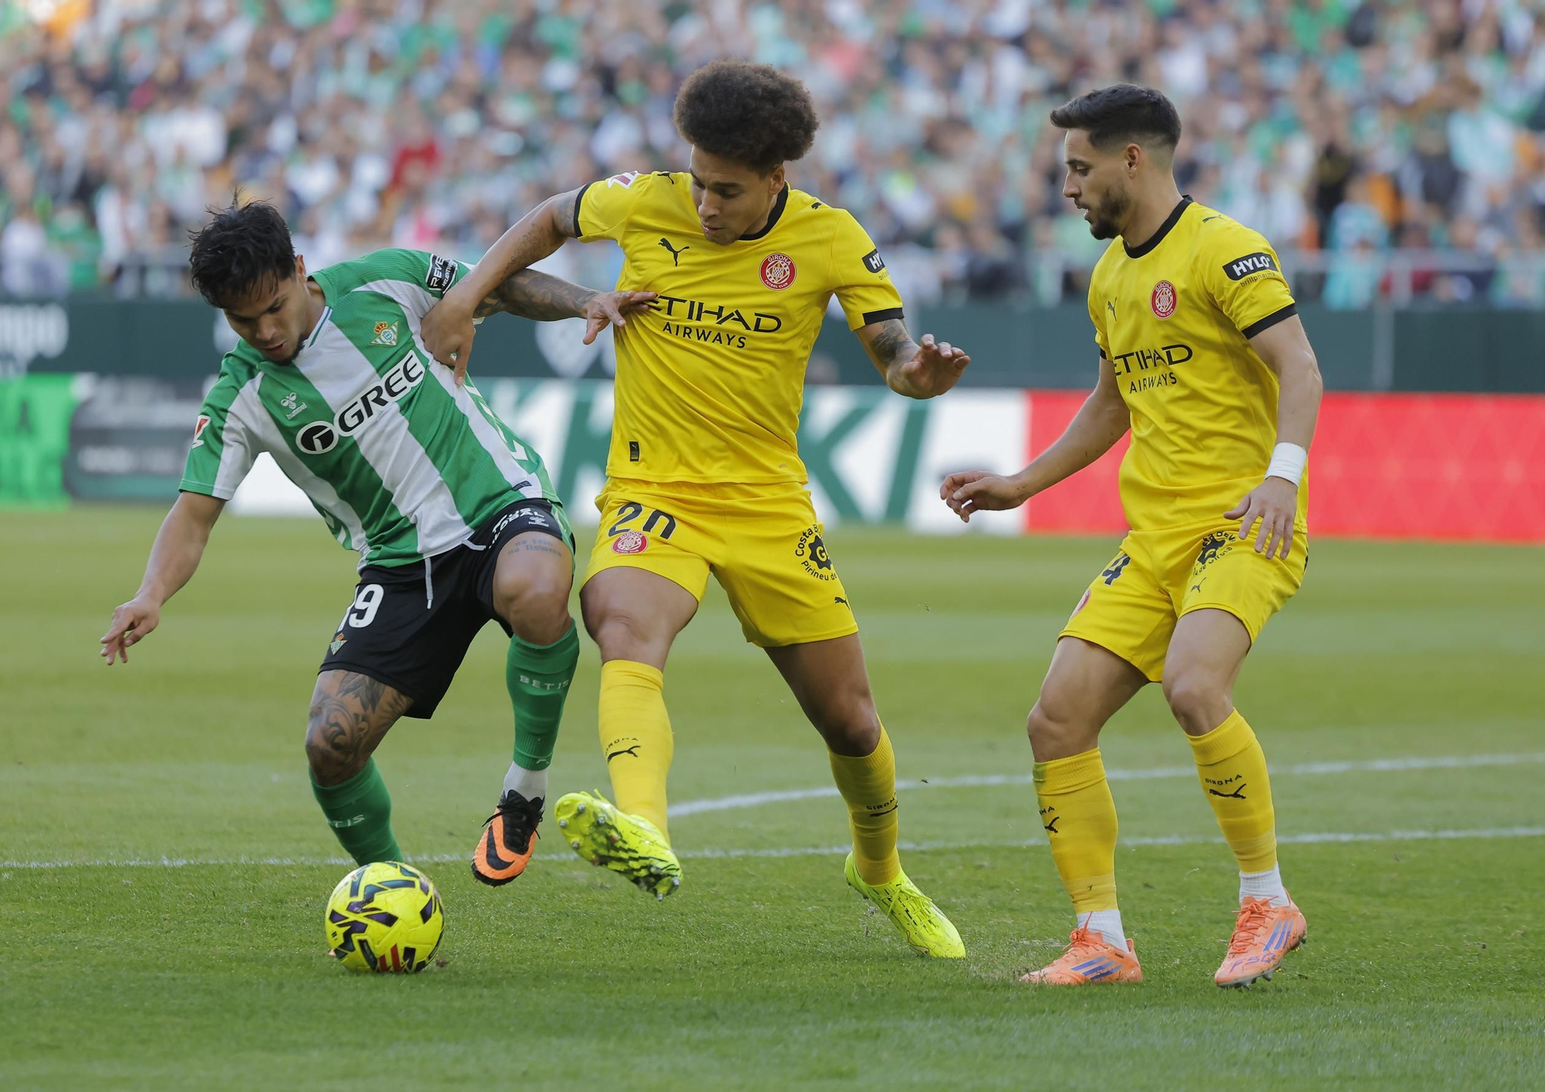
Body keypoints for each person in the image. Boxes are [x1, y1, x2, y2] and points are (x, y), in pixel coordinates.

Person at [421, 60, 971, 957]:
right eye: (699, 180)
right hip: (654, 489)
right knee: (620, 624)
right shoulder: (647, 200)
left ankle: (879, 871)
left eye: (727, 191)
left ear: (776, 179)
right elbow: (551, 218)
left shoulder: (832, 239)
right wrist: (466, 294)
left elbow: (895, 354)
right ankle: (647, 830)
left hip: (768, 506)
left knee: (851, 721)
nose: (706, 204)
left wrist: (924, 377)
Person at [100, 199, 654, 885]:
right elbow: (193, 515)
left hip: (501, 502)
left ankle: (524, 791)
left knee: (536, 588)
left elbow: (497, 284)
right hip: (398, 563)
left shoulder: (382, 281)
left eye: (274, 307)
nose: (265, 331)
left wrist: (584, 301)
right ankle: (394, 888)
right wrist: (151, 593)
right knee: (330, 746)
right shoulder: (241, 397)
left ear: (299, 270)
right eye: (244, 321)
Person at [942, 84, 1324, 987]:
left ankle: (1269, 902)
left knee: (1194, 686)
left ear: (1133, 160)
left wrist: (1282, 478)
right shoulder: (1110, 275)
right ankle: (1101, 941)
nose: (1067, 187)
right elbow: (1112, 404)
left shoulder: (1226, 250)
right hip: (1152, 538)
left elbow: (1299, 367)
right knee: (1055, 720)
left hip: (1242, 522)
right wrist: (1018, 483)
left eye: (1078, 168)